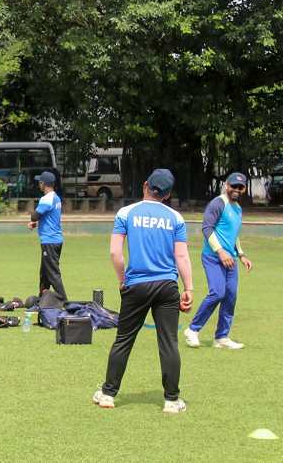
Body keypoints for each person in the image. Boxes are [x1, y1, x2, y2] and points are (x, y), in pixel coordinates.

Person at [93, 169, 194, 414]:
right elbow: (181, 255)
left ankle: (108, 394)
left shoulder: (125, 213)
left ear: (145, 185)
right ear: (168, 194)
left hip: (135, 285)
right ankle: (171, 400)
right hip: (167, 286)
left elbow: (115, 252)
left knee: (124, 340)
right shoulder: (176, 218)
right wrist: (188, 287)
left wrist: (122, 279)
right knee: (169, 343)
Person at [185, 172, 253, 350]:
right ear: (227, 186)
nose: (236, 190)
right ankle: (192, 330)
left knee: (230, 296)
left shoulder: (238, 210)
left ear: (244, 189)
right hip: (213, 257)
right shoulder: (217, 203)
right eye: (233, 186)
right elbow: (207, 229)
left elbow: (233, 235)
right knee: (217, 293)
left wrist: (241, 254)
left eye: (240, 187)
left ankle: (221, 337)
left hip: (230, 259)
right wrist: (221, 252)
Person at [28, 171, 67, 299]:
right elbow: (50, 218)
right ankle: (42, 300)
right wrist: (38, 223)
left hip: (49, 241)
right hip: (55, 240)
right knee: (44, 273)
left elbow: (34, 216)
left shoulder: (46, 198)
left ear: (43, 184)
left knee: (53, 273)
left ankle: (65, 302)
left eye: (40, 182)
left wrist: (35, 220)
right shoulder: (56, 198)